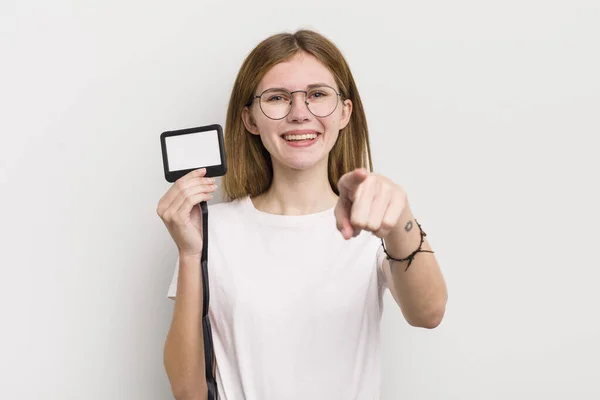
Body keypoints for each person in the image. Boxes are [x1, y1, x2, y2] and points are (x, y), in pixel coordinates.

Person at [157, 29, 448, 400]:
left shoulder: (375, 222)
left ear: (344, 113)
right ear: (250, 120)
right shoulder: (211, 230)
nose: (299, 113)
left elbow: (429, 313)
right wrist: (187, 253)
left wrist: (400, 219)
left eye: (317, 95)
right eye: (277, 98)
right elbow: (188, 392)